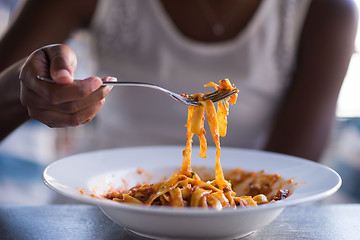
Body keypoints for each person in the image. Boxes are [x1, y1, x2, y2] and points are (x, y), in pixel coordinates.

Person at [0, 0, 357, 162]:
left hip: (243, 219)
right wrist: (25, 86)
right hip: (99, 207)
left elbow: (290, 173)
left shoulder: (328, 11)